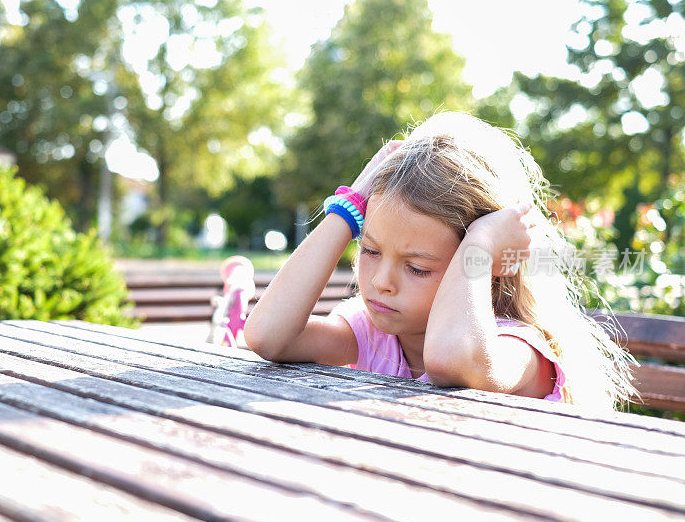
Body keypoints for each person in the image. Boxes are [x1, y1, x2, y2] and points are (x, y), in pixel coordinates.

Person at [244, 111, 638, 412]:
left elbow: (451, 362)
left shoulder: (520, 348)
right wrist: (349, 208)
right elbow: (268, 336)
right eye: (370, 251)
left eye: (417, 268)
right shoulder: (372, 337)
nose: (382, 281)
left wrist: (480, 245)